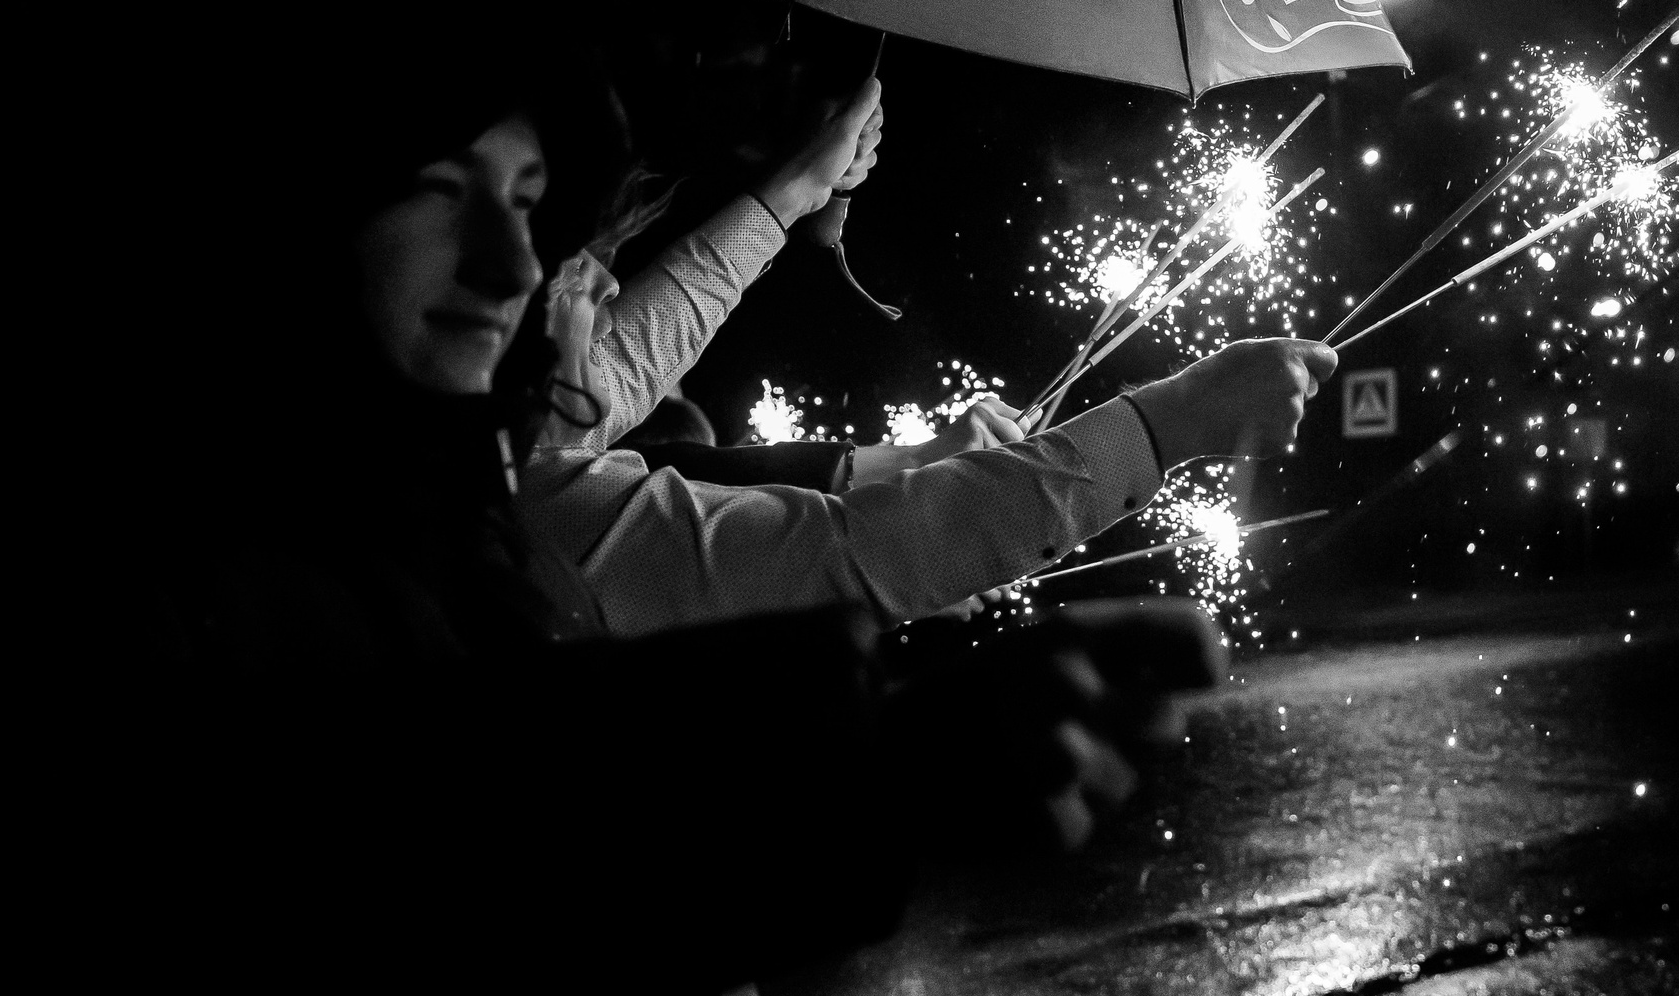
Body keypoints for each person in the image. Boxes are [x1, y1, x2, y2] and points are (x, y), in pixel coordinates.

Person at [41, 0, 1229, 996]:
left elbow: (649, 399)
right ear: (298, 214)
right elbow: (416, 862)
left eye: (528, 204)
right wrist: (890, 756)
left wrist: (793, 204)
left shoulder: (442, 490)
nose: (523, 268)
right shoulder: (223, 568)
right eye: (447, 196)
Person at [525, 77, 1337, 638]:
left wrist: (792, 194)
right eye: (570, 253)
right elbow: (857, 552)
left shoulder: (525, 447)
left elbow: (624, 362)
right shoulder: (538, 512)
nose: (604, 281)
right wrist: (1169, 423)